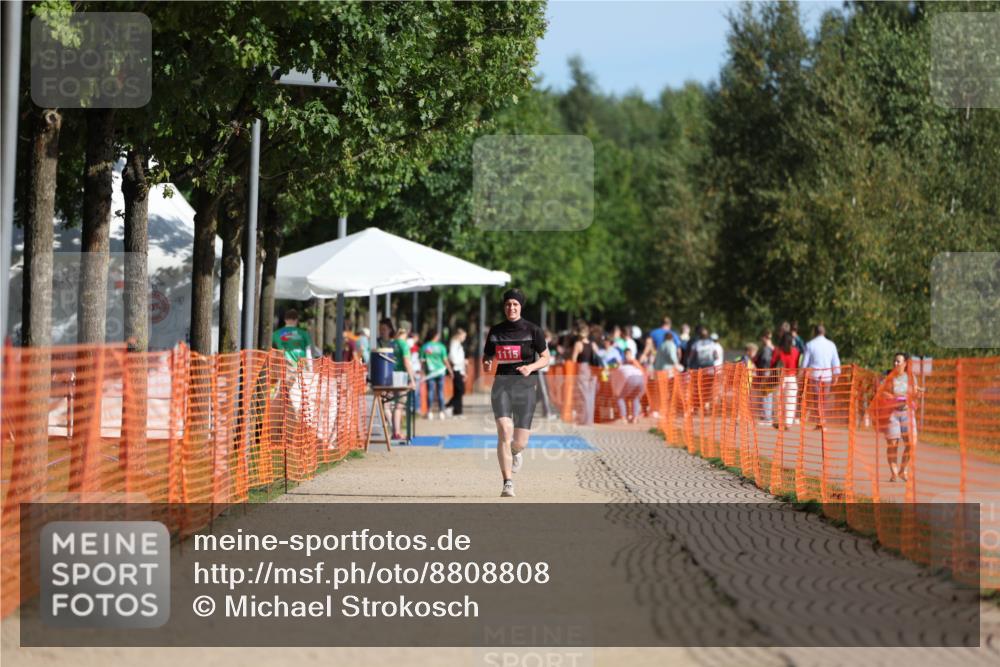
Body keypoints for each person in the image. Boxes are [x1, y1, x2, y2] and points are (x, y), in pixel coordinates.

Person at [483, 288, 550, 498]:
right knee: (504, 430)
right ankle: (507, 482)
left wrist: (531, 368)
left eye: (515, 304)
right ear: (504, 307)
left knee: (520, 441)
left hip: (526, 388)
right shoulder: (495, 331)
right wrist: (486, 363)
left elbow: (546, 357)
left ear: (520, 307)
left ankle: (515, 452)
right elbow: (488, 356)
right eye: (508, 304)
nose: (511, 308)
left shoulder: (533, 330)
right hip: (501, 386)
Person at [878, 352, 924, 482]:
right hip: (891, 413)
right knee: (893, 444)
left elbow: (914, 394)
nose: (895, 363)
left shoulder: (911, 377)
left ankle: (903, 470)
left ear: (905, 364)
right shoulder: (888, 376)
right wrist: (894, 397)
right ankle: (894, 472)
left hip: (907, 413)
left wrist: (917, 394)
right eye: (894, 361)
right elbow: (881, 393)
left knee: (912, 443)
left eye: (898, 361)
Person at [801, 324, 841, 430]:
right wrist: (836, 374)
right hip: (827, 376)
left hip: (815, 375)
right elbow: (835, 361)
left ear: (815, 332)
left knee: (817, 398)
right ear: (824, 332)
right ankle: (822, 421)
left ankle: (820, 421)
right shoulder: (831, 344)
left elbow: (805, 362)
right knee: (824, 399)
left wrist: (802, 373)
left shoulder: (810, 344)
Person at [390, 320, 417, 442]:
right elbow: (407, 362)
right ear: (408, 331)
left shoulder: (392, 343)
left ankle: (395, 431)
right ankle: (396, 432)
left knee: (393, 405)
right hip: (401, 377)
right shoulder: (404, 344)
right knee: (399, 406)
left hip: (391, 376)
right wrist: (412, 379)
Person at [570, 322, 601, 426]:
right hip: (593, 369)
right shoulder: (593, 344)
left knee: (583, 395)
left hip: (582, 369)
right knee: (591, 395)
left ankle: (584, 420)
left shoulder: (578, 344)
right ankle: (589, 420)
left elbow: (573, 360)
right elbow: (599, 357)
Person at [771, 331, 801, 429]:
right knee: (790, 401)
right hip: (792, 377)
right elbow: (797, 365)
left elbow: (772, 364)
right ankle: (788, 423)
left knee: (777, 400)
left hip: (779, 377)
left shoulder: (777, 351)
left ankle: (777, 421)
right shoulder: (796, 351)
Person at [420, 329, 452, 420]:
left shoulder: (425, 347)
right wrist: (450, 370)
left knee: (430, 392)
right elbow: (445, 360)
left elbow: (422, 362)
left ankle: (429, 412)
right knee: (440, 392)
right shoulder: (441, 347)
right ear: (435, 336)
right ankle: (441, 412)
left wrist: (422, 372)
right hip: (441, 371)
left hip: (430, 372)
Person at [611, 348, 646, 423]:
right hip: (640, 379)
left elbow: (616, 381)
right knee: (635, 398)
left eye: (629, 354)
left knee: (620, 397)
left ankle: (623, 418)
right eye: (626, 354)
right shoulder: (625, 363)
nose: (627, 356)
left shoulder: (632, 362)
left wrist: (616, 392)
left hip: (632, 378)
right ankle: (635, 418)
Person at [752, 329, 776, 424]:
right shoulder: (773, 348)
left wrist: (762, 371)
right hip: (770, 373)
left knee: (766, 395)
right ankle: (767, 416)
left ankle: (767, 418)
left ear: (764, 337)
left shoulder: (767, 349)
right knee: (767, 394)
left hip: (766, 372)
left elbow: (765, 362)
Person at [445, 328, 467, 418]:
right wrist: (463, 362)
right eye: (464, 336)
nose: (464, 338)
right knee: (460, 390)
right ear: (459, 335)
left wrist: (464, 371)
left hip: (459, 370)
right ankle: (448, 406)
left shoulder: (459, 345)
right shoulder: (454, 344)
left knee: (459, 391)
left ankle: (457, 411)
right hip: (456, 369)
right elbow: (453, 358)